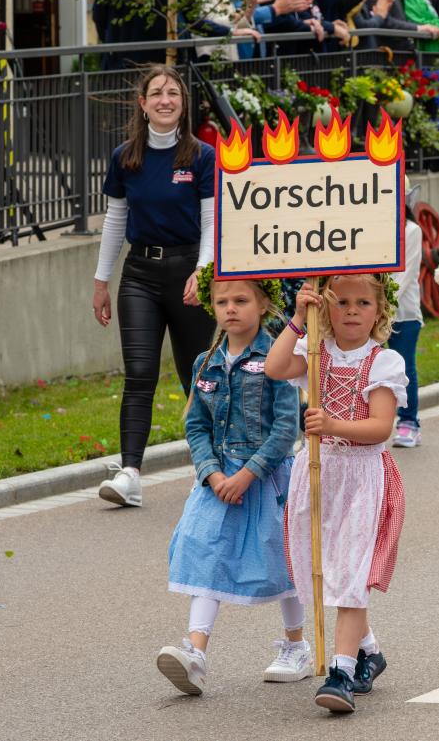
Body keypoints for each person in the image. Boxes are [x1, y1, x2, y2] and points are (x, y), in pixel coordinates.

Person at [157, 271, 306, 695]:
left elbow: (284, 428)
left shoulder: (275, 358)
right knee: (203, 548)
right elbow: (196, 424)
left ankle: (295, 645)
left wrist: (247, 474)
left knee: (280, 558)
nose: (231, 310)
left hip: (265, 478)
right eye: (223, 303)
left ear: (262, 305)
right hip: (218, 479)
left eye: (241, 301)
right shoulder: (205, 363)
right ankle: (195, 651)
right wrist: (213, 472)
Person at [264, 273, 407, 713]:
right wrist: (295, 321)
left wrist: (333, 425)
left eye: (363, 304)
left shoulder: (384, 362)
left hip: (363, 477)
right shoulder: (315, 353)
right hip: (320, 471)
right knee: (325, 568)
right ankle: (369, 651)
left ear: (379, 312)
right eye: (341, 302)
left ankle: (341, 671)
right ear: (326, 309)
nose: (351, 311)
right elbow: (273, 368)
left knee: (350, 571)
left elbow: (380, 426)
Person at [93, 66, 217, 508]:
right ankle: (129, 474)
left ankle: (209, 468)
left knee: (197, 376)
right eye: (156, 93)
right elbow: (116, 220)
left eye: (174, 93)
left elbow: (211, 219)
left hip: (188, 273)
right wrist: (101, 280)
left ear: (183, 104)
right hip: (140, 275)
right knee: (139, 374)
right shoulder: (125, 156)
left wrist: (203, 272)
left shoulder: (201, 156)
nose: (166, 100)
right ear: (142, 103)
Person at [389, 186, 424, 447]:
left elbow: (405, 275)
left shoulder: (411, 231)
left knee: (404, 368)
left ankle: (409, 422)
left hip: (403, 313)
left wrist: (381, 309)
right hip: (369, 312)